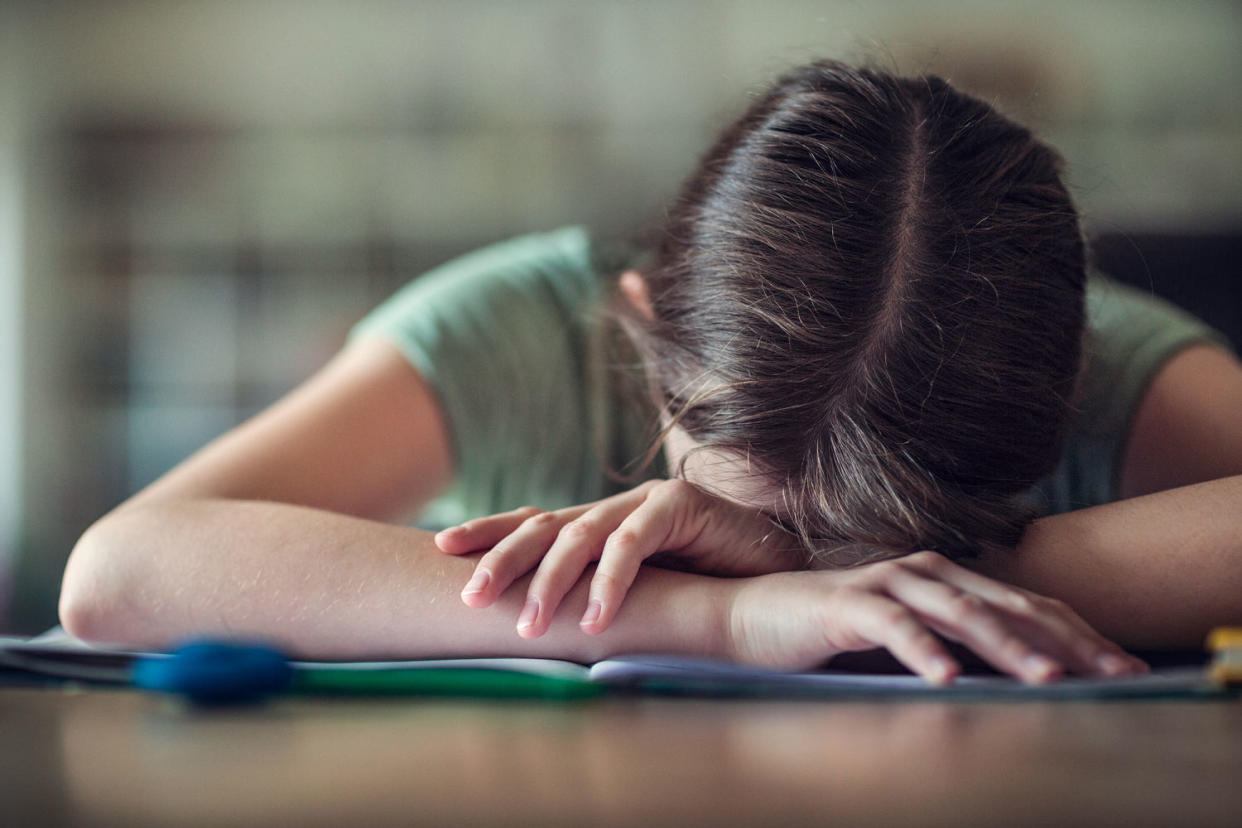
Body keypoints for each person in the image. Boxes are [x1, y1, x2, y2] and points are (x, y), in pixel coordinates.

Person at [59, 61, 1242, 685]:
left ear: (1075, 369)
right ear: (638, 335)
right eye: (766, 513)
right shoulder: (519, 324)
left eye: (891, 534)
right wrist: (723, 612)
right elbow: (121, 573)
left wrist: (830, 573)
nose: (830, 567)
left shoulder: (1124, 360)